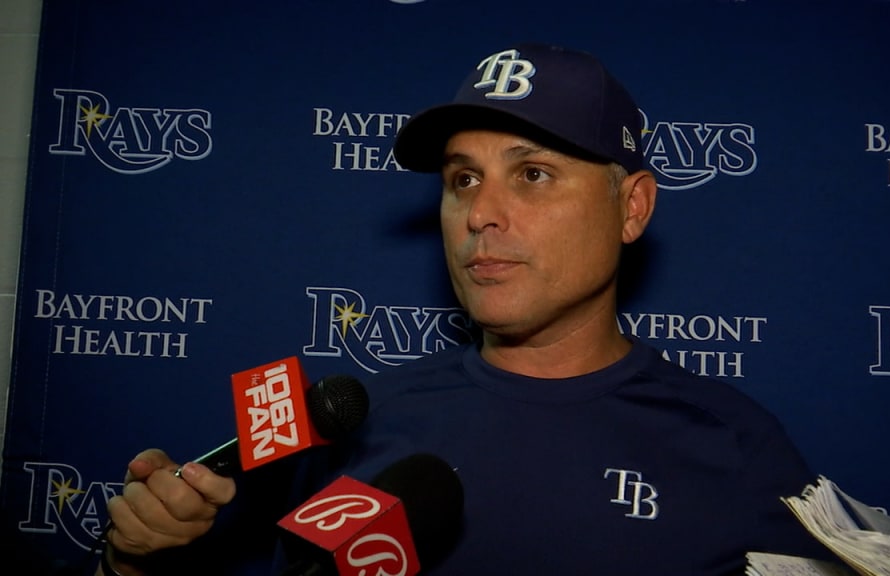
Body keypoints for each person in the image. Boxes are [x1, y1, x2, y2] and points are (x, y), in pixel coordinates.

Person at [98, 43, 835, 575]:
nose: (481, 212)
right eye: (461, 179)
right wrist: (131, 563)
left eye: (534, 174)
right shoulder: (353, 422)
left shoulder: (733, 446)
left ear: (632, 207)